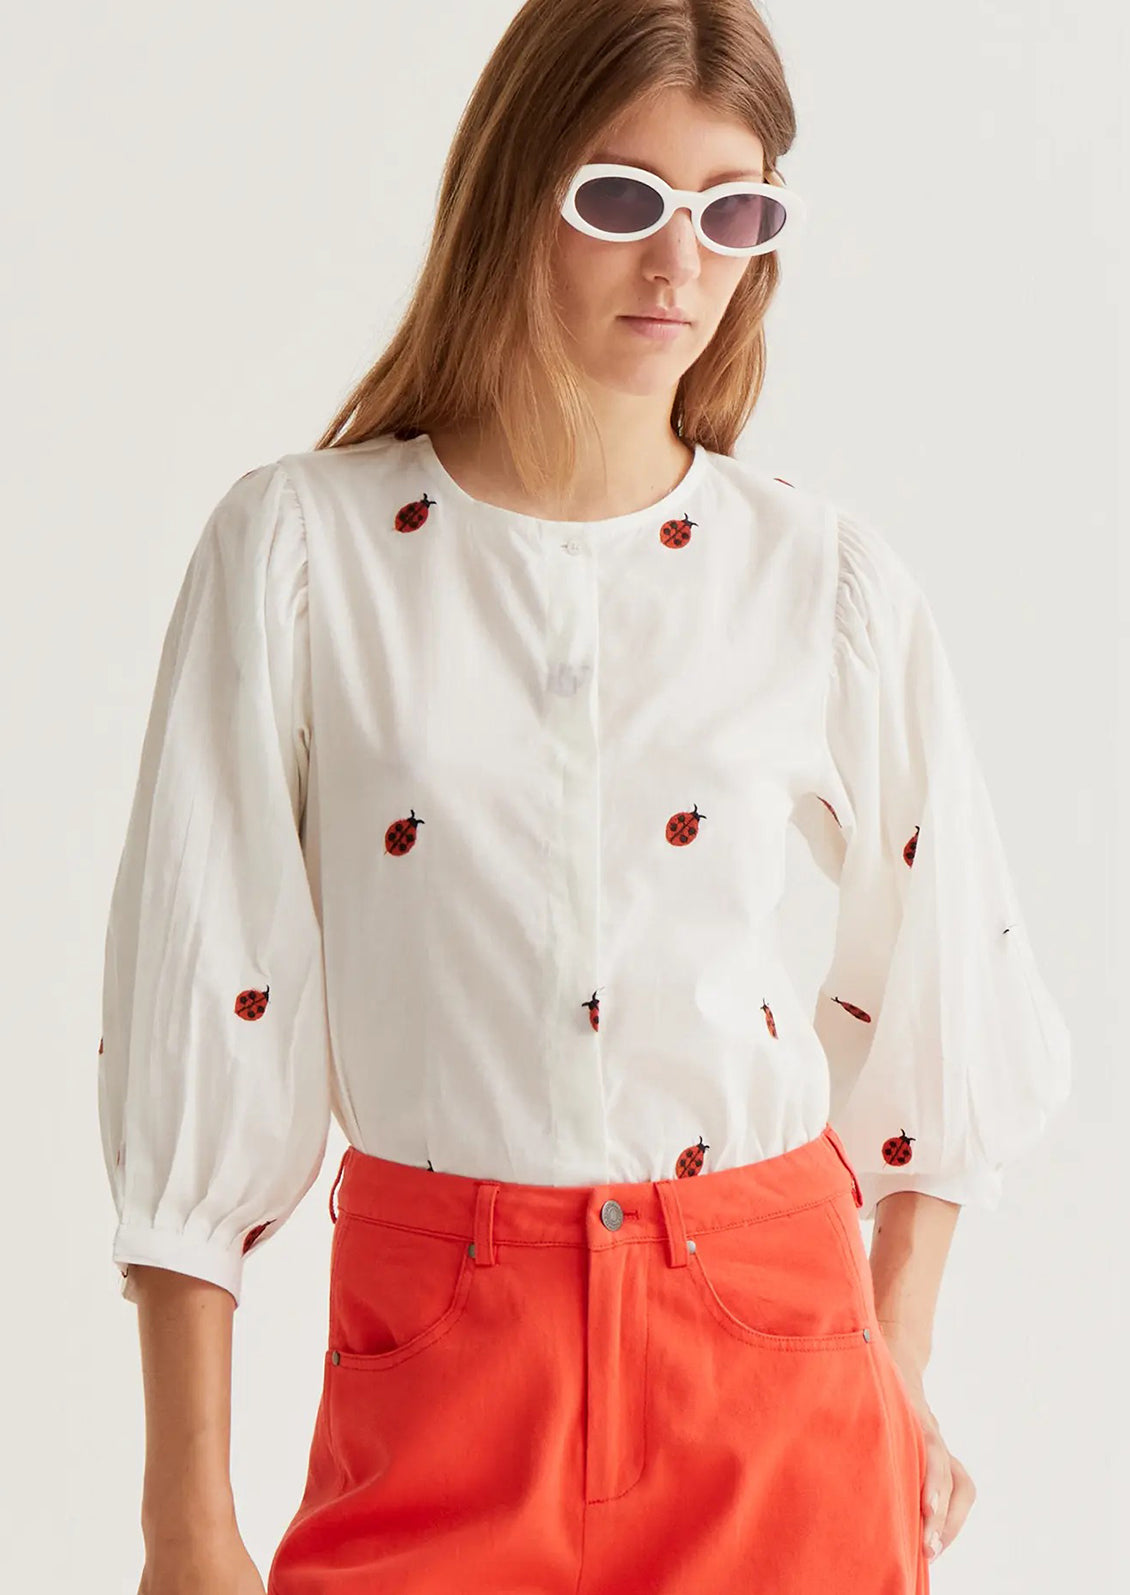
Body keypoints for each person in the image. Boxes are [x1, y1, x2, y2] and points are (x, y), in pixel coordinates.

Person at [98, 2, 1072, 1592]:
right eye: (622, 198)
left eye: (731, 211)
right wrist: (181, 1519)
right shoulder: (301, 553)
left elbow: (946, 985)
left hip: (774, 1370)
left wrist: (893, 1368)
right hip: (438, 1374)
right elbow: (201, 1013)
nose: (679, 262)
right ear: (510, 191)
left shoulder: (818, 578)